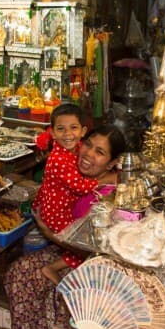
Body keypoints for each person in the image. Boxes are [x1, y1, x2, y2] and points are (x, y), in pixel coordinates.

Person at [4, 124, 126, 329]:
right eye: (88, 144)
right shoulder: (73, 169)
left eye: (100, 152)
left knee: (34, 279)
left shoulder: (106, 196)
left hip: (92, 264)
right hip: (68, 250)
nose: (88, 153)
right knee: (19, 272)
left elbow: (94, 250)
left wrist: (48, 233)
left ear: (112, 163)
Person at [34, 103, 116, 285]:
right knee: (81, 246)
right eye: (61, 129)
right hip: (56, 211)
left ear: (83, 131)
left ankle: (57, 267)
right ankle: (52, 268)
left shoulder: (76, 147)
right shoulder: (59, 158)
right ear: (53, 133)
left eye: (73, 128)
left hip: (58, 205)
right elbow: (78, 186)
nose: (68, 134)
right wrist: (105, 180)